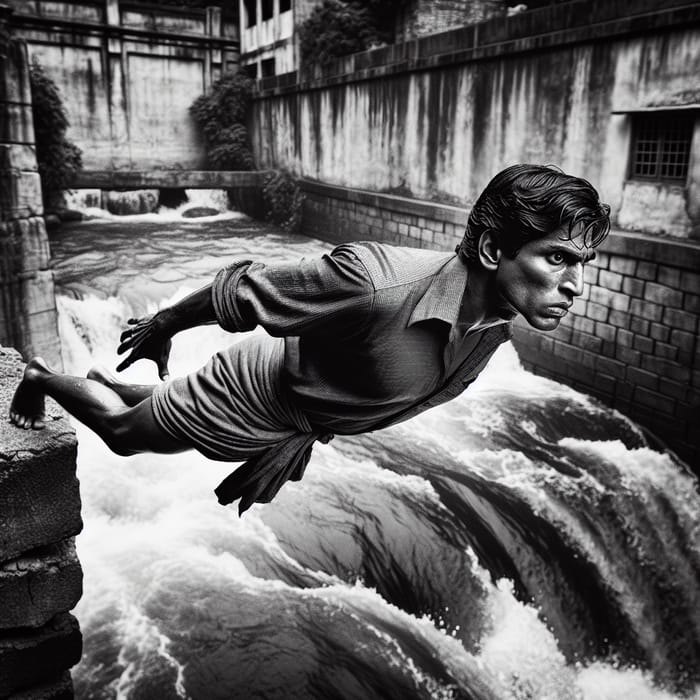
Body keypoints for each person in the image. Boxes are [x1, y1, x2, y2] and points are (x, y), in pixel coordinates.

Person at [9, 164, 610, 514]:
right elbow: (245, 291)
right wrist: (162, 325)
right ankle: (41, 378)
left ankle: (112, 386)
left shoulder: (494, 327)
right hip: (252, 394)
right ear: (490, 251)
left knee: (155, 409)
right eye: (558, 258)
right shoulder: (373, 282)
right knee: (123, 438)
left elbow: (369, 390)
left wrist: (300, 440)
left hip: (291, 407)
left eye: (582, 263)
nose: (576, 285)